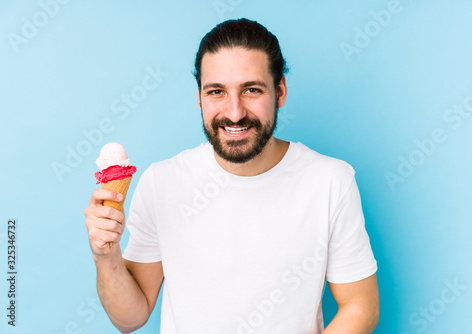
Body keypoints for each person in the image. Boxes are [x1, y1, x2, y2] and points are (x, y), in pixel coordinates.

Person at [84, 18, 379, 334]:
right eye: (217, 92)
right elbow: (130, 319)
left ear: (279, 92)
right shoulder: (162, 183)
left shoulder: (330, 181)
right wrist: (106, 256)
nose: (235, 112)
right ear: (199, 97)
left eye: (252, 90)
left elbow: (359, 305)